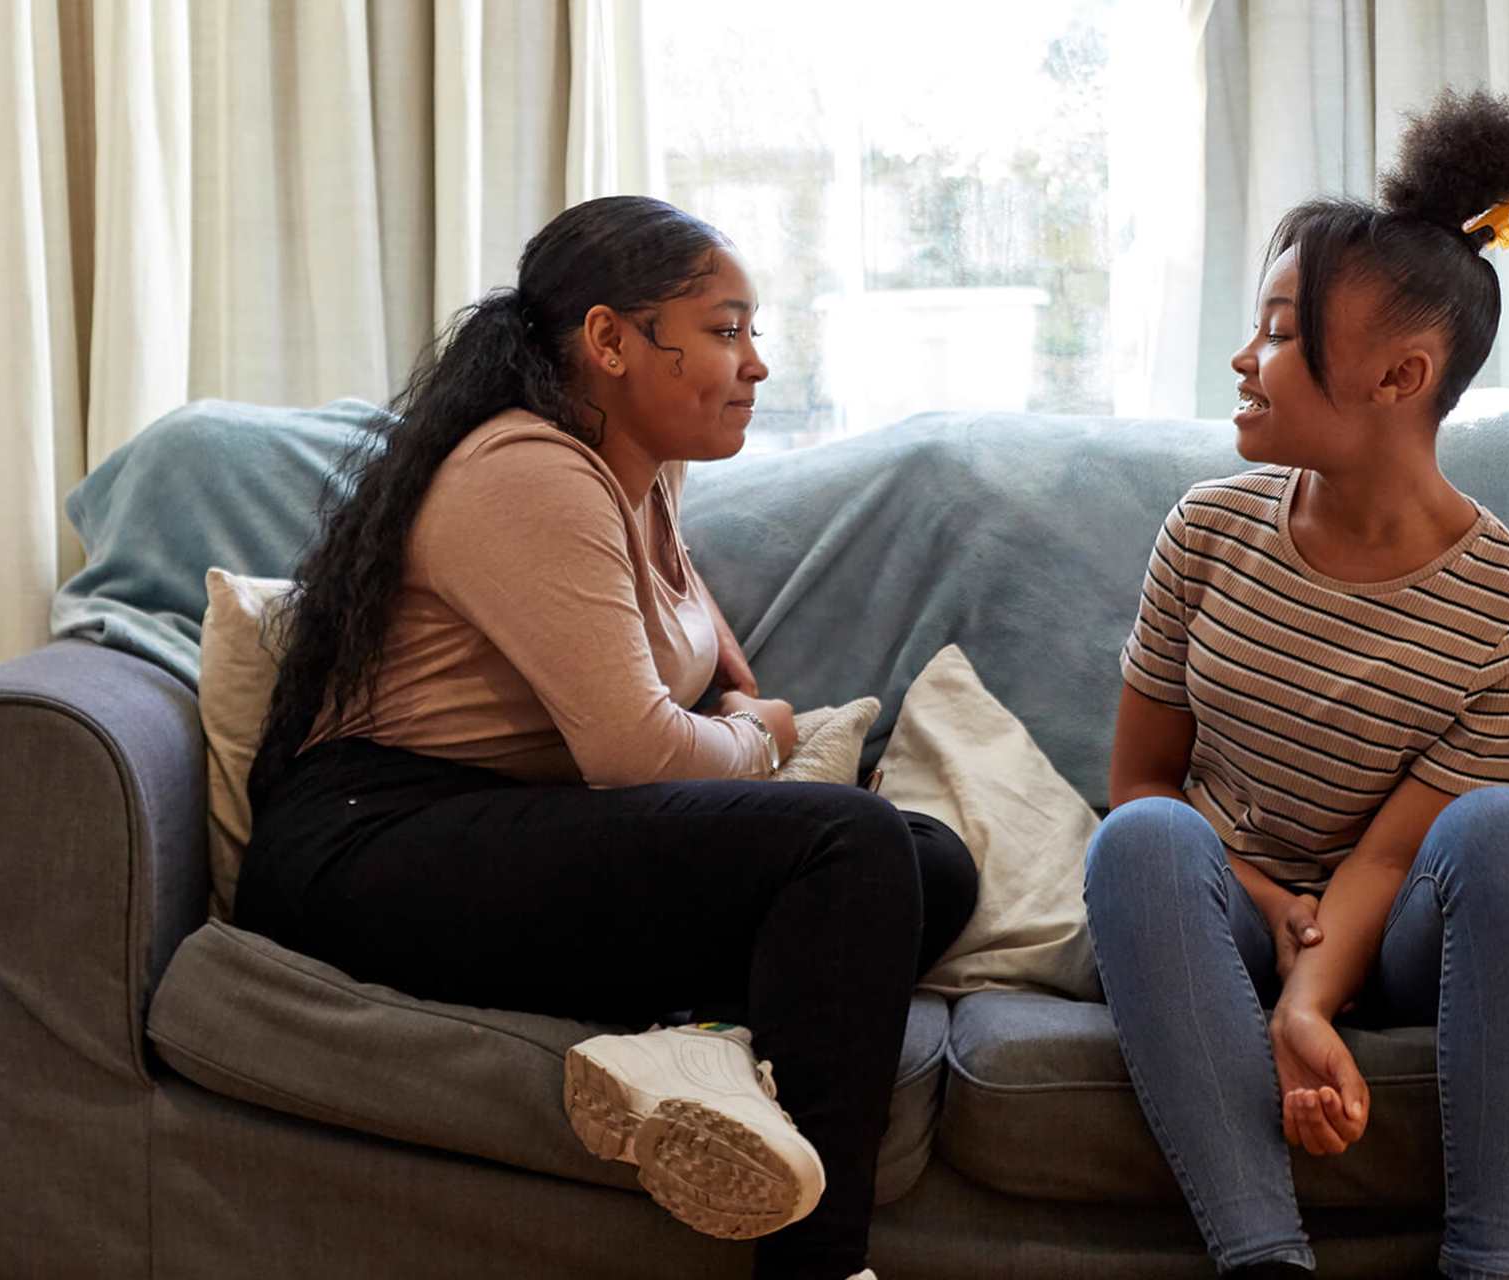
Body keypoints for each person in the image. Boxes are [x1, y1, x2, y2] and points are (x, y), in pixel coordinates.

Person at [235, 195, 978, 1280]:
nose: (758, 364)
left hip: (498, 832)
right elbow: (636, 755)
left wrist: (723, 681)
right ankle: (818, 1265)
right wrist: (754, 735)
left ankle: (708, 1049)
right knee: (849, 839)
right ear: (610, 340)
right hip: (371, 842)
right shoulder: (528, 471)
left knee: (930, 864)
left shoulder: (640, 474)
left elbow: (679, 647)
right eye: (726, 330)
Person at [1084, 90, 1509, 1280]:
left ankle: (1488, 1264)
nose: (1247, 360)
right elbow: (1142, 778)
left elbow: (1401, 857)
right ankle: (1265, 1260)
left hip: (1393, 928)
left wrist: (1310, 1002)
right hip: (1218, 912)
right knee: (1139, 837)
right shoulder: (1205, 530)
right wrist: (1262, 895)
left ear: (1401, 375)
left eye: (1283, 333)